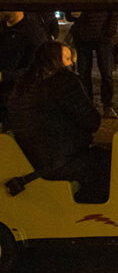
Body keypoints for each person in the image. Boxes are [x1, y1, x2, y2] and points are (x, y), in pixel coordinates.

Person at [4, 41, 110, 203]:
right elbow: (92, 122)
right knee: (111, 162)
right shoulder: (64, 81)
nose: (72, 63)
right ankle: (94, 219)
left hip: (28, 158)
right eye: (67, 59)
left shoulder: (23, 84)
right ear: (56, 61)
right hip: (58, 162)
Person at [69, 0, 118, 118]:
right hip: (83, 35)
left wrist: (109, 31)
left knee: (106, 72)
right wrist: (72, 15)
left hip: (102, 35)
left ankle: (107, 104)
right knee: (83, 73)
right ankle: (88, 105)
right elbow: (67, 9)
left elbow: (113, 10)